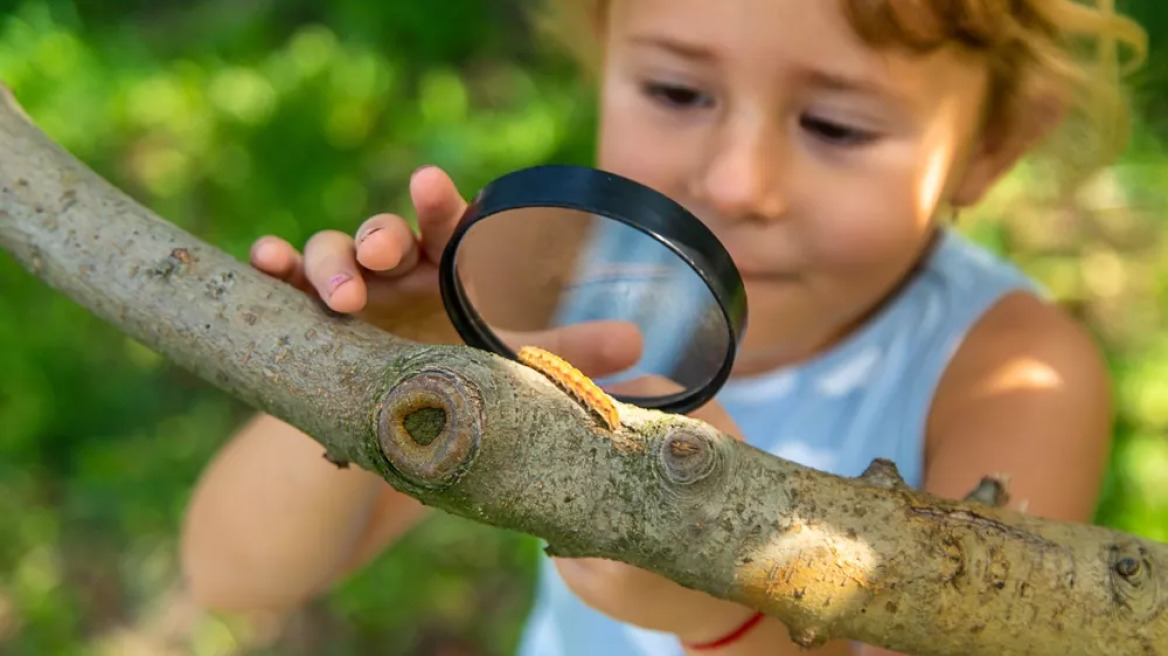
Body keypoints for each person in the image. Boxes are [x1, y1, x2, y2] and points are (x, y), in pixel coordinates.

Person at [178, 0, 1148, 654]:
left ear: (992, 143)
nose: (736, 183)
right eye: (678, 93)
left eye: (836, 127)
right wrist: (373, 370)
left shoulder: (1013, 376)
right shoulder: (556, 270)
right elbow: (234, 574)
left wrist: (721, 597)